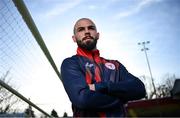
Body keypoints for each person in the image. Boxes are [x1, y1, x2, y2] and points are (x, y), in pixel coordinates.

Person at [61, 18, 146, 117]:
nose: (87, 31)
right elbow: (82, 99)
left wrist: (101, 87)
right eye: (81, 29)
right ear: (74, 38)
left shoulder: (116, 65)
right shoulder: (70, 63)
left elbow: (139, 89)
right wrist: (123, 96)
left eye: (91, 28)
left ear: (97, 35)